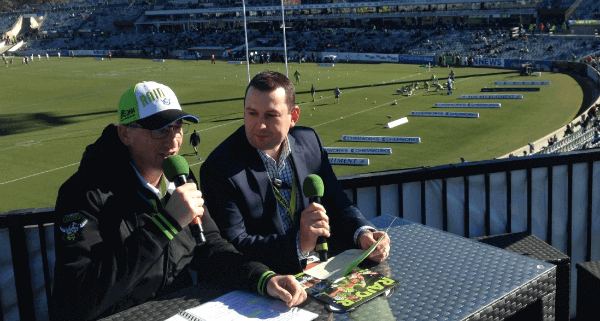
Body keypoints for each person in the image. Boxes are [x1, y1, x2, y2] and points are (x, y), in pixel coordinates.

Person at [51, 81, 307, 321]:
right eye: (160, 129)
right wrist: (166, 224)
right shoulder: (83, 195)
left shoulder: (179, 179)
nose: (173, 140)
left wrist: (262, 278)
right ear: (125, 133)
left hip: (178, 311)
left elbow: (211, 247)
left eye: (177, 128)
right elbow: (76, 300)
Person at [200, 71, 390, 275]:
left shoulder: (310, 141)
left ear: (294, 116)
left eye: (271, 115)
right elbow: (234, 245)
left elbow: (337, 202)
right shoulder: (219, 167)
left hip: (323, 267)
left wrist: (362, 232)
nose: (259, 125)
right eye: (252, 113)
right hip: (267, 281)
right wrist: (299, 244)